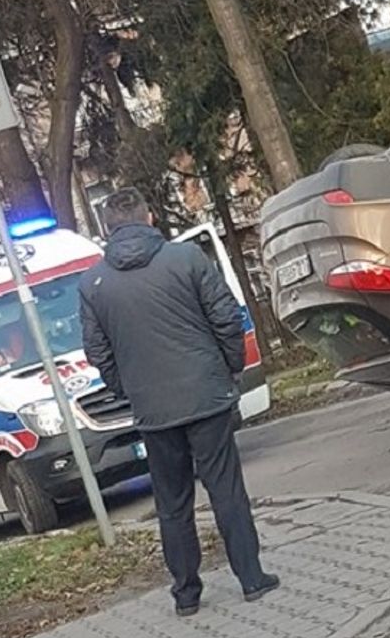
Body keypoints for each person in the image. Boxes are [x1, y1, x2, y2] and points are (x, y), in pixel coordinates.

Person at [80, 188, 279, 616]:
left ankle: (186, 594)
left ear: (107, 231)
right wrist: (229, 368)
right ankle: (251, 579)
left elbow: (98, 352)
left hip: (152, 411)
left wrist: (128, 389)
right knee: (226, 489)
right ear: (150, 218)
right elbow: (226, 318)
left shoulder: (93, 284)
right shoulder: (186, 259)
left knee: (172, 504)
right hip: (206, 394)